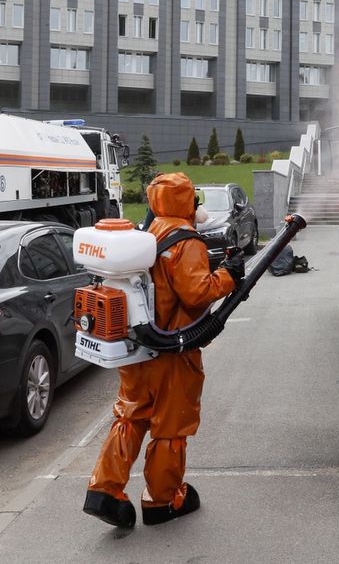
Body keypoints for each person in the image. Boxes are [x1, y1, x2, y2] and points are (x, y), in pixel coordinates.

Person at [85, 172, 245, 528]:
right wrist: (229, 275)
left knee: (131, 416)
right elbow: (197, 293)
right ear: (188, 202)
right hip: (173, 351)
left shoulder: (147, 233)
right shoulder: (187, 241)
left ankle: (104, 490)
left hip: (136, 349)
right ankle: (162, 499)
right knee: (171, 427)